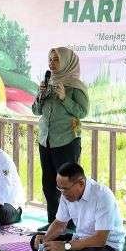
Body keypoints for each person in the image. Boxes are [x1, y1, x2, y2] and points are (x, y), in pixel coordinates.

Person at [32, 47, 89, 230]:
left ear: (66, 62)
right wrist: (41, 95)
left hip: (66, 141)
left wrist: (64, 97)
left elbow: (82, 112)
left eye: (56, 59)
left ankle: (72, 225)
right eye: (50, 59)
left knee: (69, 186)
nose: (51, 63)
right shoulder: (48, 83)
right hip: (46, 141)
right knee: (49, 185)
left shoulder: (75, 86)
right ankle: (53, 223)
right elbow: (35, 111)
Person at [30, 162, 124, 251]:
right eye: (59, 188)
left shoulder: (103, 196)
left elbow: (100, 239)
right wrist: (45, 239)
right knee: (37, 241)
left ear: (81, 183)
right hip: (78, 240)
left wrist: (65, 246)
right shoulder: (65, 193)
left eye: (65, 189)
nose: (62, 193)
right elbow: (59, 224)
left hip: (104, 247)